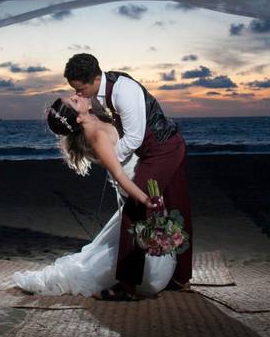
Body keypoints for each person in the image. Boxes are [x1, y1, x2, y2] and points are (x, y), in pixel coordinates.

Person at [12, 95, 176, 299]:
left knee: (141, 237)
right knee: (146, 236)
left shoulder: (97, 121)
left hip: (141, 182)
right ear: (79, 118)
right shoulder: (97, 135)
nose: (76, 95)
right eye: (73, 101)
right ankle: (130, 281)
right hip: (134, 187)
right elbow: (118, 174)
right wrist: (144, 199)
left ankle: (138, 273)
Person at [64, 53, 192, 297]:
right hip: (156, 150)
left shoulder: (124, 91)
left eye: (79, 89)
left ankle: (128, 285)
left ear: (93, 79)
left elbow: (133, 137)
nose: (78, 94)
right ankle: (180, 279)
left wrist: (111, 161)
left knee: (137, 208)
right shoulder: (97, 97)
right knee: (175, 208)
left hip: (163, 149)